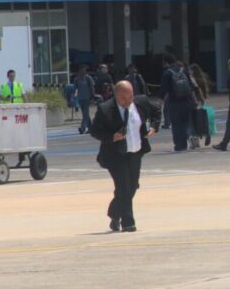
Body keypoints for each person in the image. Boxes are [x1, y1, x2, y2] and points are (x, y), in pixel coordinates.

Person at [90, 80, 154, 232]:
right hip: (115, 155)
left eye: (131, 96)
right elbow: (94, 131)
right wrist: (112, 137)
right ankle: (128, 223)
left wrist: (154, 127)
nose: (129, 100)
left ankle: (114, 213)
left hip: (135, 152)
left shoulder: (140, 102)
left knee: (132, 186)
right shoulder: (105, 109)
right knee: (124, 187)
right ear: (117, 95)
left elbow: (156, 110)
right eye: (124, 98)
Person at [161, 56, 195, 152]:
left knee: (176, 124)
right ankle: (186, 141)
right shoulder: (183, 70)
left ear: (166, 62)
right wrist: (194, 100)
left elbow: (164, 90)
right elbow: (191, 86)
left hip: (174, 102)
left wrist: (161, 101)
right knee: (185, 122)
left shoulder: (167, 73)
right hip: (186, 101)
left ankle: (179, 145)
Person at [188, 63, 212, 148]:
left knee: (193, 121)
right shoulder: (202, 78)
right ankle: (206, 134)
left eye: (190, 70)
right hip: (201, 101)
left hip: (195, 101)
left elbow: (195, 89)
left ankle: (194, 140)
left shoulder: (193, 79)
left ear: (193, 71)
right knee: (202, 119)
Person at [73, 64, 95, 134]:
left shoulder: (88, 78)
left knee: (85, 113)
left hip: (87, 98)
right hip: (81, 98)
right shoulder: (77, 79)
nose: (84, 71)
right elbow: (76, 89)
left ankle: (83, 127)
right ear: (80, 70)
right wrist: (75, 97)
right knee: (85, 114)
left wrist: (93, 96)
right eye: (83, 69)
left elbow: (92, 87)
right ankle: (91, 128)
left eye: (85, 69)